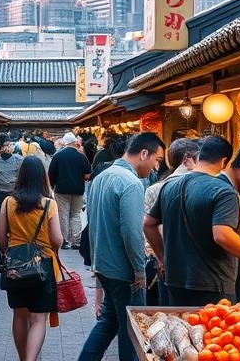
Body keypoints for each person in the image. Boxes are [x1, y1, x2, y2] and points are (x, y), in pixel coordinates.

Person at [144, 136, 240, 305]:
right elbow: (222, 234)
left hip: (175, 283)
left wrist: (163, 259)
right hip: (210, 286)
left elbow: (148, 224)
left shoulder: (170, 185)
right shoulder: (224, 191)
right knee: (210, 331)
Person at [79, 132, 165, 361]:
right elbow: (131, 232)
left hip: (104, 264)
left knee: (109, 322)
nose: (157, 166)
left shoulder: (102, 176)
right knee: (132, 332)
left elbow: (93, 223)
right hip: (123, 269)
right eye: (156, 159)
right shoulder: (131, 183)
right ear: (143, 153)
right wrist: (139, 270)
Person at [0, 156, 64, 361]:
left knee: (19, 314)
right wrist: (49, 249)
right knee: (38, 319)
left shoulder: (8, 202)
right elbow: (58, 239)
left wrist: (10, 253)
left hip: (15, 267)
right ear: (42, 177)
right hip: (43, 267)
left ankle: (22, 357)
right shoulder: (48, 205)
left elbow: (0, 236)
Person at [142, 138, 199, 305]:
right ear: (188, 159)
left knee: (167, 309)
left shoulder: (156, 188)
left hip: (163, 260)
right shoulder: (203, 184)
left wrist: (160, 257)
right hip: (191, 265)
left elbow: (148, 228)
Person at [47, 133, 91, 249]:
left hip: (61, 190)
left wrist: (52, 186)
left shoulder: (58, 155)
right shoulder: (81, 156)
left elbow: (51, 173)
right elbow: (87, 175)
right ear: (74, 142)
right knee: (75, 214)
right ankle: (77, 241)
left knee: (63, 214)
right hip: (78, 190)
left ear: (65, 142)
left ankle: (65, 241)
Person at [0, 140, 24, 211]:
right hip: (3, 192)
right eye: (4, 147)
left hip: (11, 192)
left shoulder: (19, 160)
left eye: (8, 146)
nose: (6, 149)